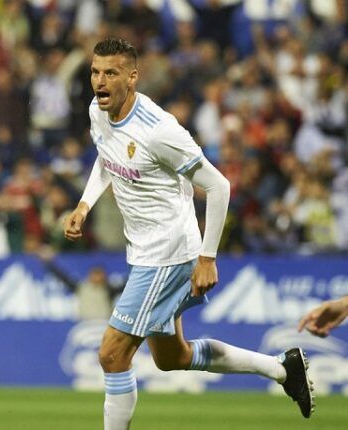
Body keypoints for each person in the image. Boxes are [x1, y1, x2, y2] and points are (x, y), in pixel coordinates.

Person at [62, 37, 314, 429]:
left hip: (169, 252)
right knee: (172, 357)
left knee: (111, 354)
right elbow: (106, 155)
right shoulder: (99, 111)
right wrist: (84, 204)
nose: (99, 81)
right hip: (145, 250)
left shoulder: (160, 131)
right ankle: (284, 368)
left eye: (110, 72)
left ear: (132, 77)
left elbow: (219, 186)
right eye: (95, 71)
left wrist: (207, 257)